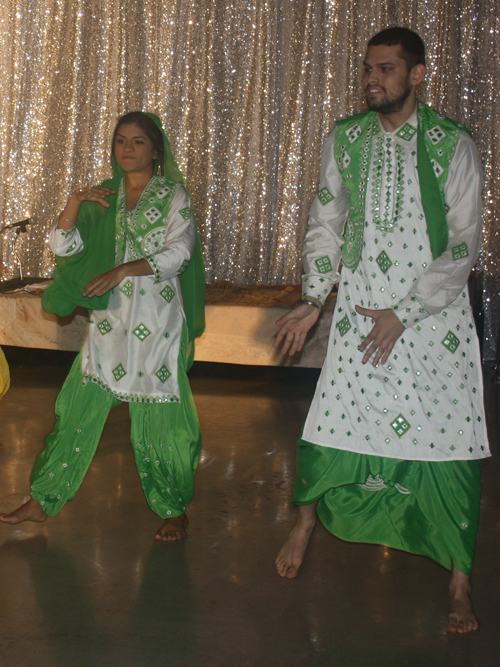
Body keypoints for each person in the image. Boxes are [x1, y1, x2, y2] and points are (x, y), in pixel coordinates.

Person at [274, 27, 490, 634]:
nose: (374, 78)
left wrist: (407, 311)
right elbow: (326, 224)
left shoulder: (453, 145)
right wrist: (314, 299)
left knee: (447, 437)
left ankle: (459, 580)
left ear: (418, 74)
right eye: (369, 68)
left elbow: (463, 244)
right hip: (361, 309)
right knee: (334, 416)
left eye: (388, 68)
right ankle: (306, 521)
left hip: (430, 319)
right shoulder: (345, 139)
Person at [0, 111, 205, 541]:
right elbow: (65, 246)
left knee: (161, 425)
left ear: (156, 149)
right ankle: (43, 499)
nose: (127, 149)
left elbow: (180, 252)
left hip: (157, 319)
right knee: (74, 411)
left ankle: (173, 509)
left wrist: (125, 269)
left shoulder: (173, 195)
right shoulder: (104, 194)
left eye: (138, 142)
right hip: (110, 322)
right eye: (120, 141)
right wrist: (74, 204)